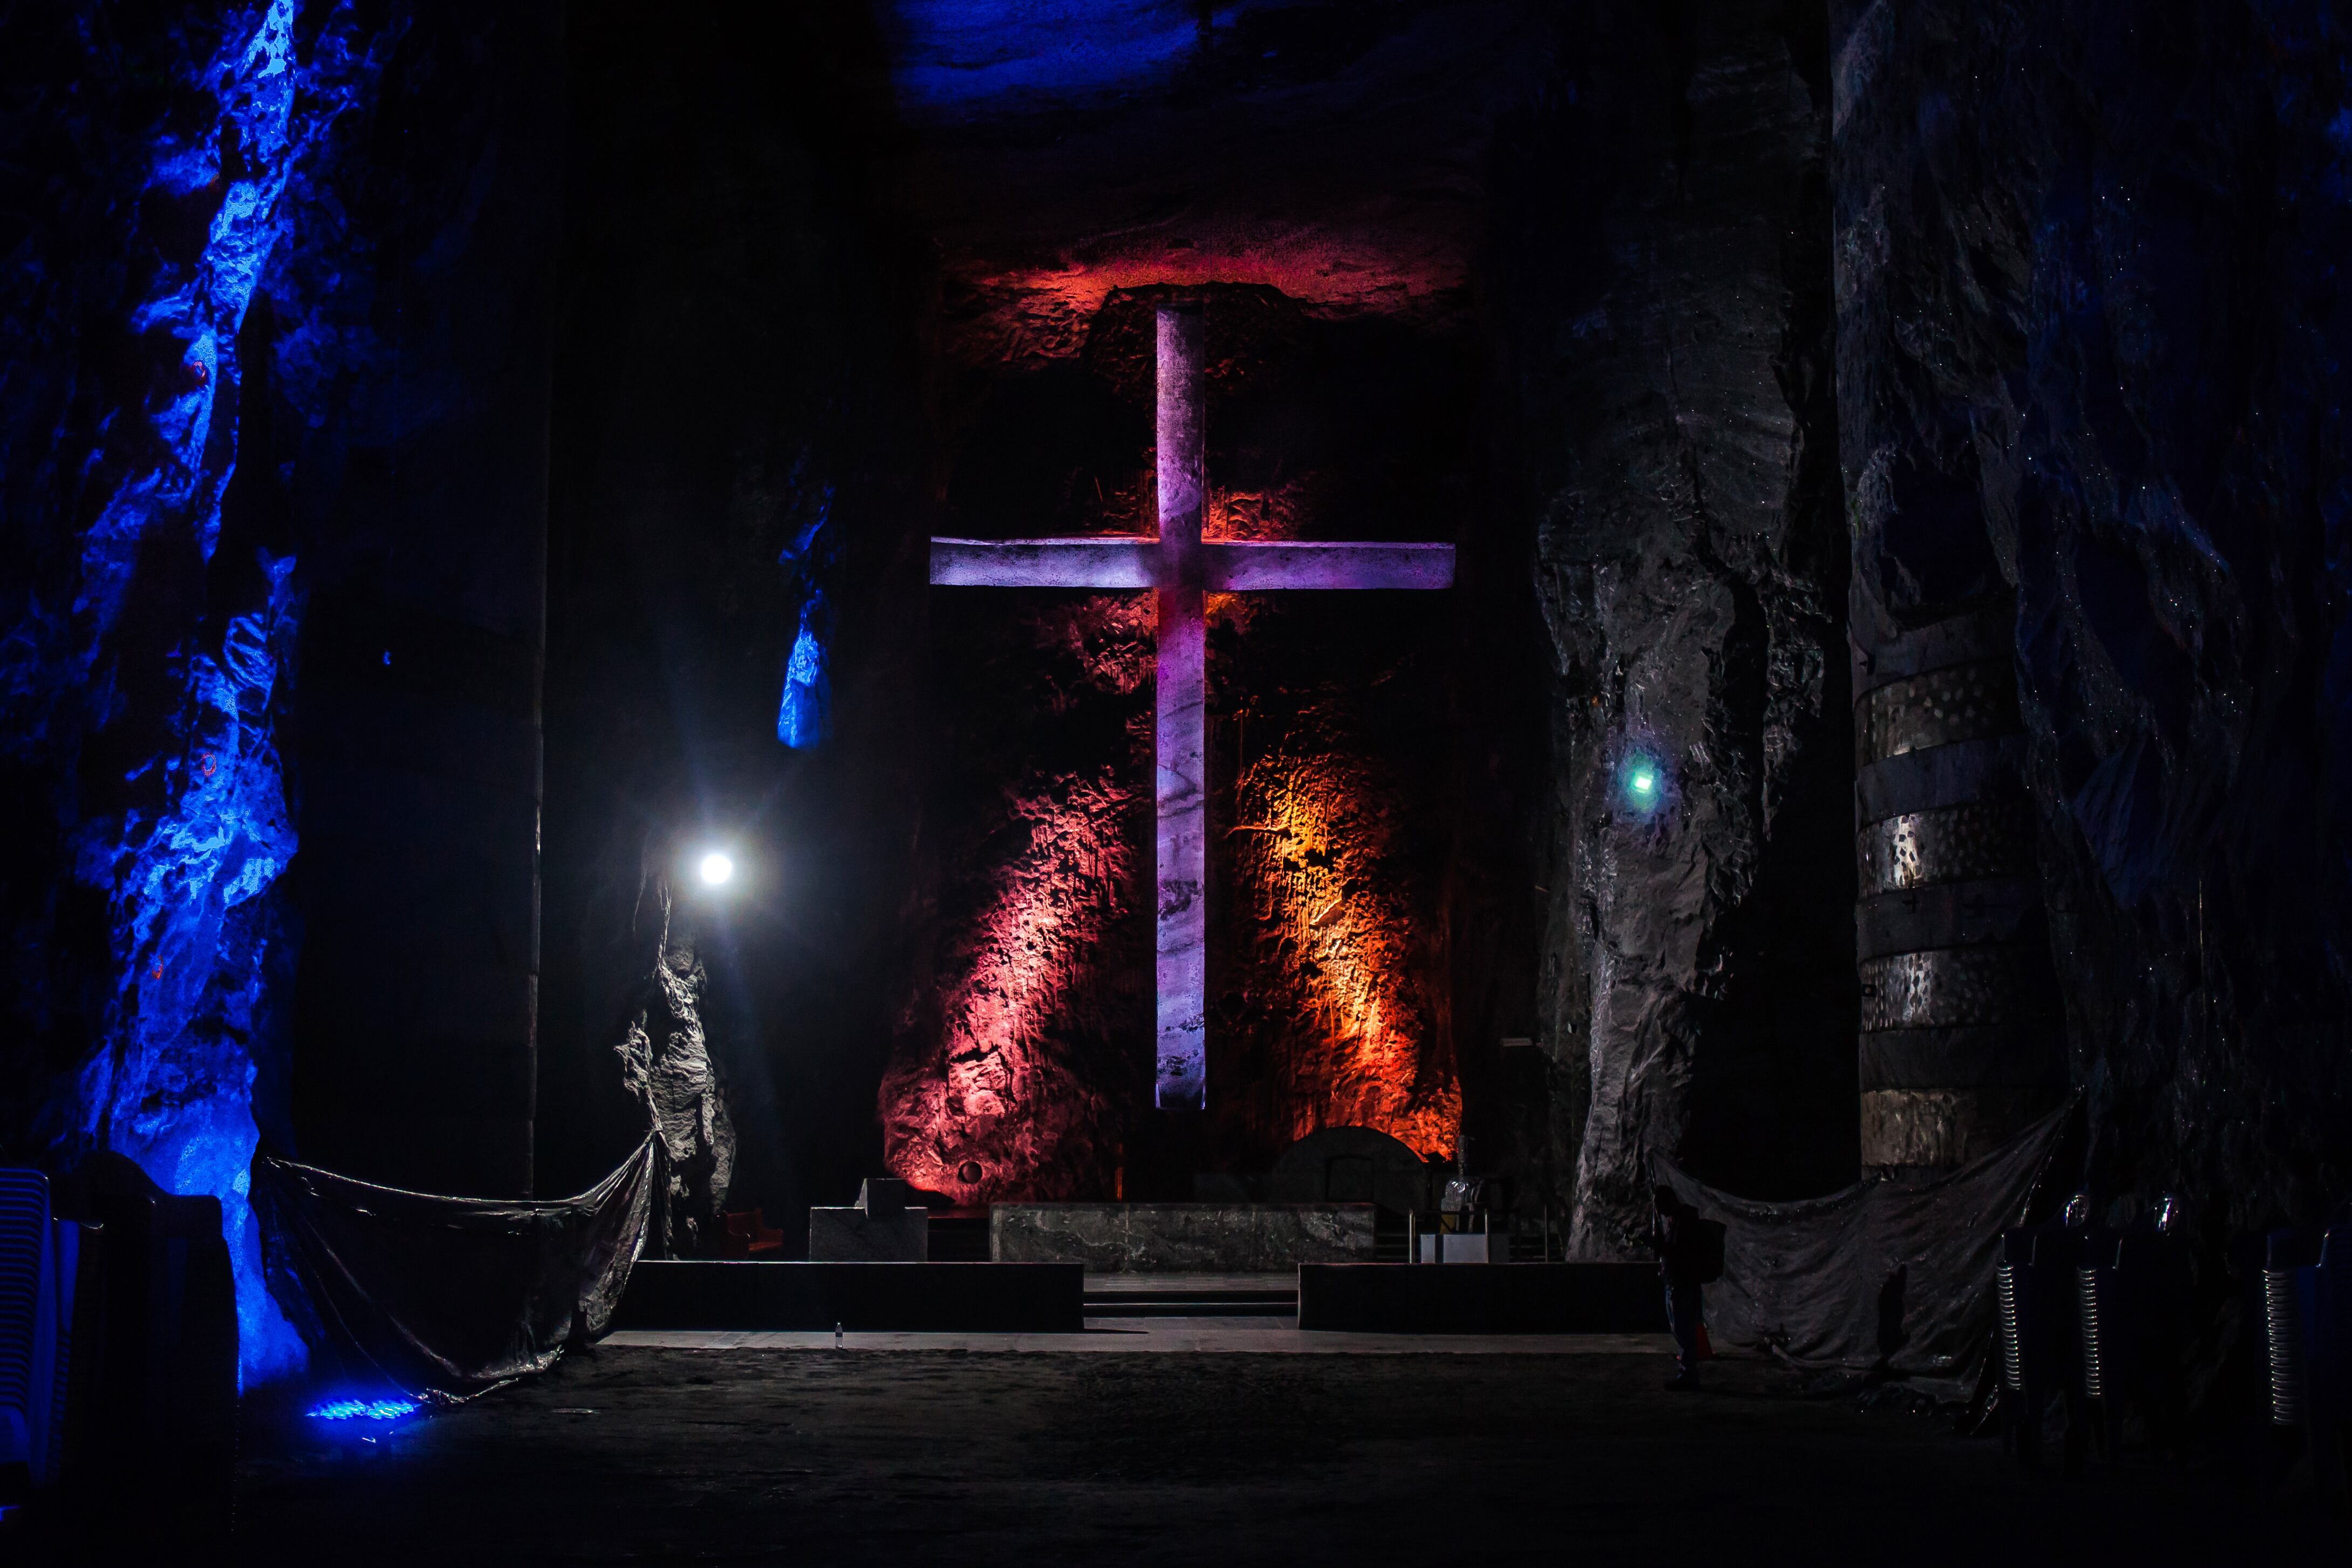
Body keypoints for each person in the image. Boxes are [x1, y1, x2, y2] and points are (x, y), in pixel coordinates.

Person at [1649, 1185, 1708, 1391]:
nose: (1660, 1210)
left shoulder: (1683, 1222)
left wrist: (1657, 1245)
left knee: (1683, 1330)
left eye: (1660, 1205)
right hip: (1676, 1281)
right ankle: (1687, 1372)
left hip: (1680, 1282)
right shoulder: (1679, 1220)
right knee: (1681, 1329)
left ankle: (1688, 1374)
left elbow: (1678, 1251)